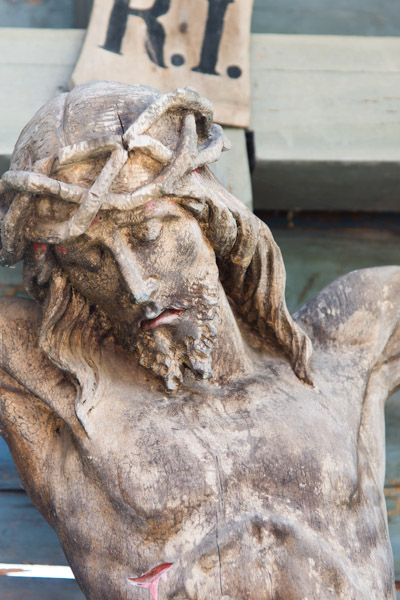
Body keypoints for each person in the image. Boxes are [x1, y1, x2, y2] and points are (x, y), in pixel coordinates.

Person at [0, 81, 398, 599]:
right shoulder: (61, 388)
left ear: (211, 220)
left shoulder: (346, 346)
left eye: (148, 235)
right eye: (90, 260)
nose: (137, 288)